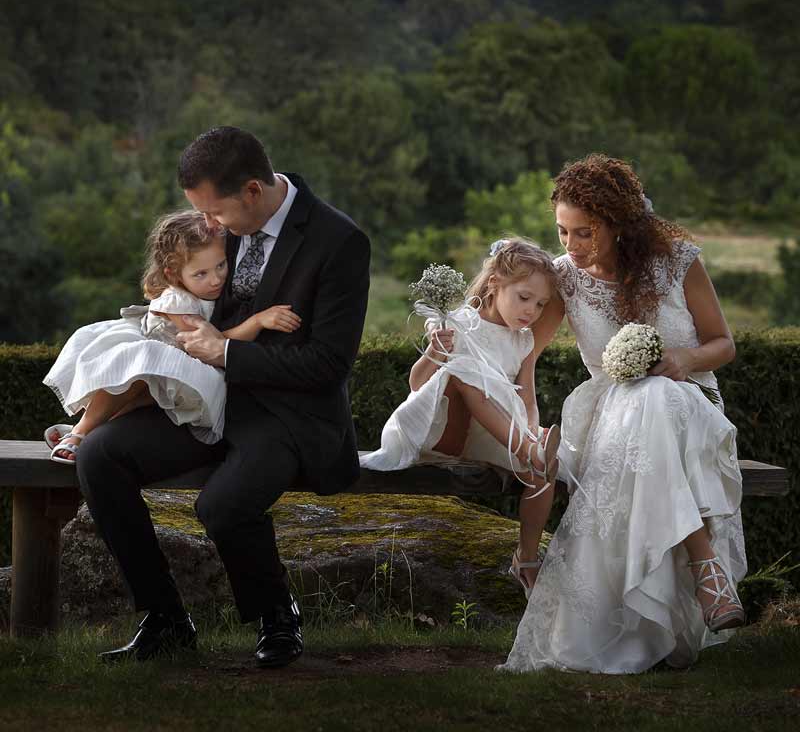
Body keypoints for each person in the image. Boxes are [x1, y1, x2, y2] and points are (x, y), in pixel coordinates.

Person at [72, 126, 370, 667]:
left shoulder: (339, 241)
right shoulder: (220, 225)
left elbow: (329, 365)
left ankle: (278, 617)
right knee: (100, 455)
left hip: (285, 413)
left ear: (253, 191)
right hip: (208, 403)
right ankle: (164, 619)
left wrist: (227, 354)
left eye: (216, 213)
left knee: (222, 505)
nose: (208, 225)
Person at [500, 154, 746, 675]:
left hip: (692, 405)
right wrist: (523, 427)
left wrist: (682, 360)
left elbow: (723, 343)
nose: (569, 246)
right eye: (562, 232)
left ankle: (683, 587)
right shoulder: (565, 279)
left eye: (583, 233)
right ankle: (707, 571)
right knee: (641, 397)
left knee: (656, 393)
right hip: (612, 417)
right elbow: (524, 361)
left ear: (619, 223)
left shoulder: (677, 261)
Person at [361, 238, 561, 596]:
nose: (531, 310)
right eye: (524, 297)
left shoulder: (523, 340)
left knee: (546, 467)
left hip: (490, 432)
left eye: (541, 304)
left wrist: (531, 428)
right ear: (496, 283)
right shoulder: (459, 324)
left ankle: (527, 559)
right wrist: (435, 352)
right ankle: (529, 448)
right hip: (439, 428)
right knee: (465, 369)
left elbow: (526, 395)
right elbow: (418, 384)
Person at [43, 210, 301, 460]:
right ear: (173, 274)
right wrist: (258, 321)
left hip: (171, 368)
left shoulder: (212, 288)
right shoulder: (178, 302)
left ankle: (88, 432)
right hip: (156, 355)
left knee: (141, 400)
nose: (215, 279)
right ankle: (80, 430)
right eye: (201, 273)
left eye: (221, 265)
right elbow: (213, 343)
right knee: (125, 382)